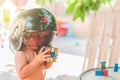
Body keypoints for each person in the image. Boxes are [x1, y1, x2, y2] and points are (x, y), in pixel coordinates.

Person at [9, 8, 58, 80]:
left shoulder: (39, 50)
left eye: (45, 36)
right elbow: (22, 74)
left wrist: (51, 58)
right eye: (37, 36)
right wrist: (37, 61)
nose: (42, 40)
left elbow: (46, 67)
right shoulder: (21, 53)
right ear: (24, 36)